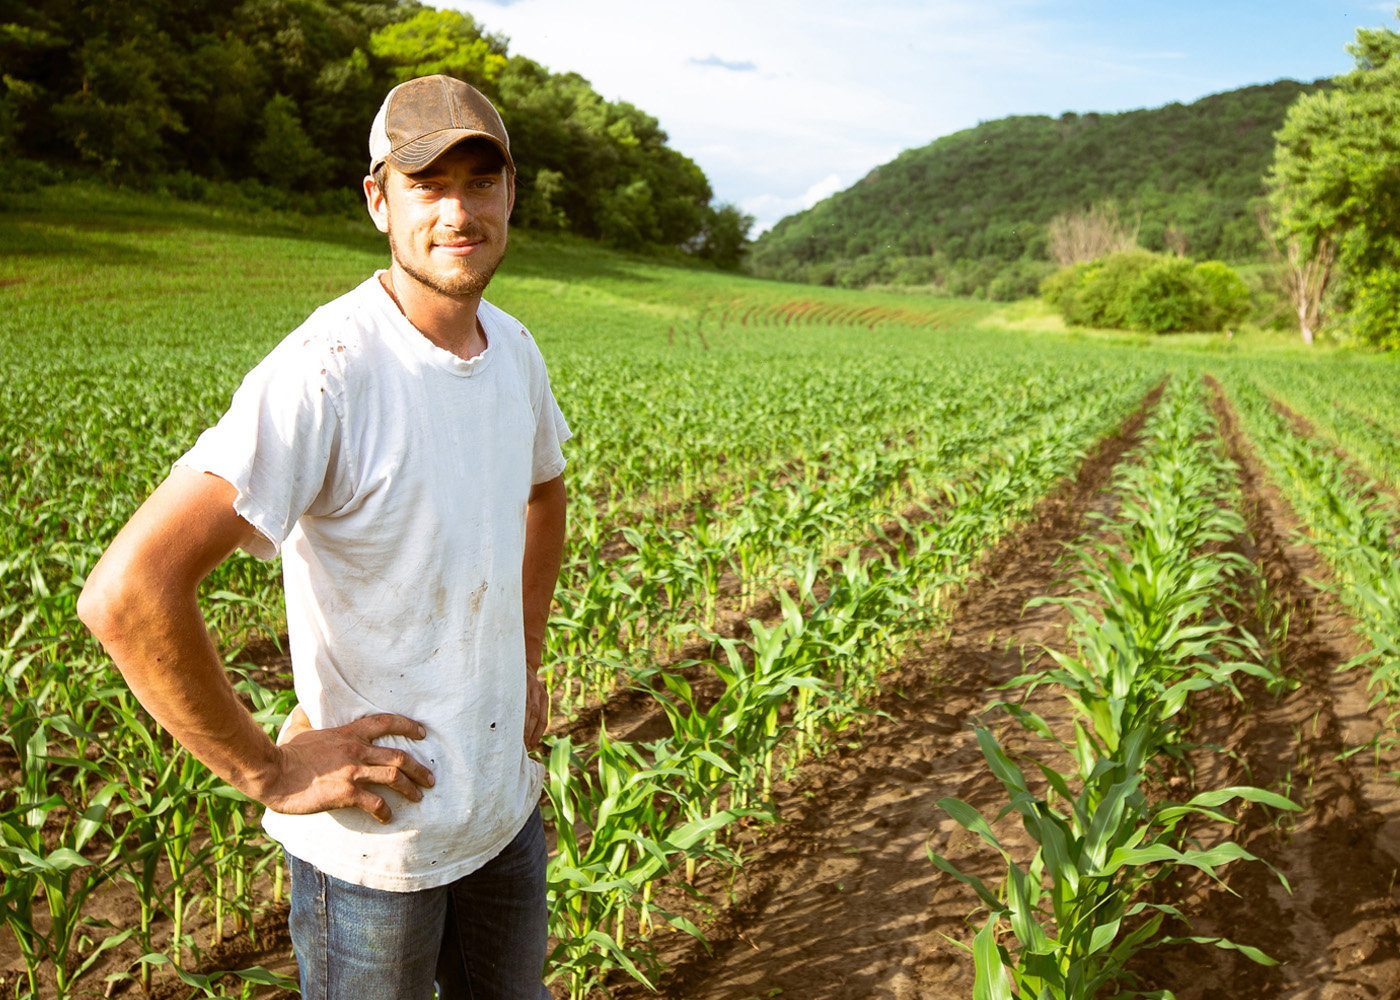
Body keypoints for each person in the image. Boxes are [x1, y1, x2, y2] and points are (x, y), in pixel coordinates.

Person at [77, 74, 569, 1000]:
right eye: (428, 184)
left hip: (502, 812)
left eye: (480, 180)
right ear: (379, 201)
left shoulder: (514, 348)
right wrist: (266, 769)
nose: (458, 210)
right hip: (377, 847)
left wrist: (525, 653)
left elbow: (546, 494)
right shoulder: (327, 372)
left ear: (511, 193)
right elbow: (127, 592)